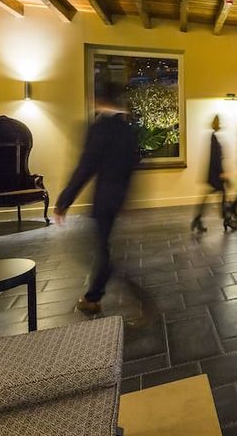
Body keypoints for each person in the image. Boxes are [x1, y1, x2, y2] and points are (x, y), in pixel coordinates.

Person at [53, 84, 139, 314]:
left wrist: (64, 201)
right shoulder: (128, 129)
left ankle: (93, 297)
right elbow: (132, 167)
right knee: (104, 246)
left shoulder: (99, 129)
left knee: (101, 248)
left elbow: (85, 167)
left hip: (104, 197)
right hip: (119, 196)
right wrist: (129, 198)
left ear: (98, 100)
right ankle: (103, 281)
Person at [191, 115, 237, 233]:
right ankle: (226, 219)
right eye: (219, 122)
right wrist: (221, 173)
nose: (221, 124)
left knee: (214, 194)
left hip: (214, 173)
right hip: (215, 173)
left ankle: (198, 219)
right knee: (221, 193)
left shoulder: (213, 137)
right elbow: (215, 158)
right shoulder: (213, 138)